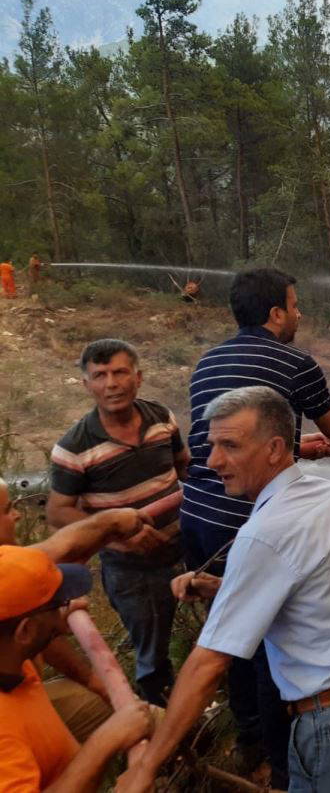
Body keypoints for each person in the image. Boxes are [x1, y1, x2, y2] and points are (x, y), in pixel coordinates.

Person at [116, 386, 330, 793]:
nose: (214, 460)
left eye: (230, 445)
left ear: (276, 447)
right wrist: (222, 586)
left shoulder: (264, 536)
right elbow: (315, 591)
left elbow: (208, 664)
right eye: (211, 445)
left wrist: (146, 767)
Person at [179, 267, 330, 784]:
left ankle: (246, 738)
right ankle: (281, 761)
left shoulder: (206, 362)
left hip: (198, 512)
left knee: (232, 631)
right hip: (247, 518)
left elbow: (218, 444)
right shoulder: (293, 361)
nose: (299, 314)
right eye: (295, 305)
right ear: (275, 313)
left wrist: (296, 447)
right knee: (271, 642)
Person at [46, 339, 189, 708]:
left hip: (186, 548)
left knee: (209, 628)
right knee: (153, 657)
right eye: (100, 375)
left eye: (120, 372)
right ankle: (161, 725)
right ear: (87, 385)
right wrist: (115, 537)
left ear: (138, 377)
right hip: (132, 570)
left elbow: (183, 464)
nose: (111, 383)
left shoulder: (161, 417)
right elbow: (59, 512)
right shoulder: (74, 447)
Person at [1, 476, 155, 744]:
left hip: (26, 691)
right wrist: (107, 522)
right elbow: (57, 549)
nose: (16, 515)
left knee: (128, 714)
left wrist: (93, 681)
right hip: (14, 717)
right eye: (5, 510)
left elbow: (25, 626)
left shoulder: (12, 596)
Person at [0, 545, 154, 792]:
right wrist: (105, 742)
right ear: (25, 631)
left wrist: (53, 618)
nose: (69, 606)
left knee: (154, 718)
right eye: (57, 603)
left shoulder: (12, 660)